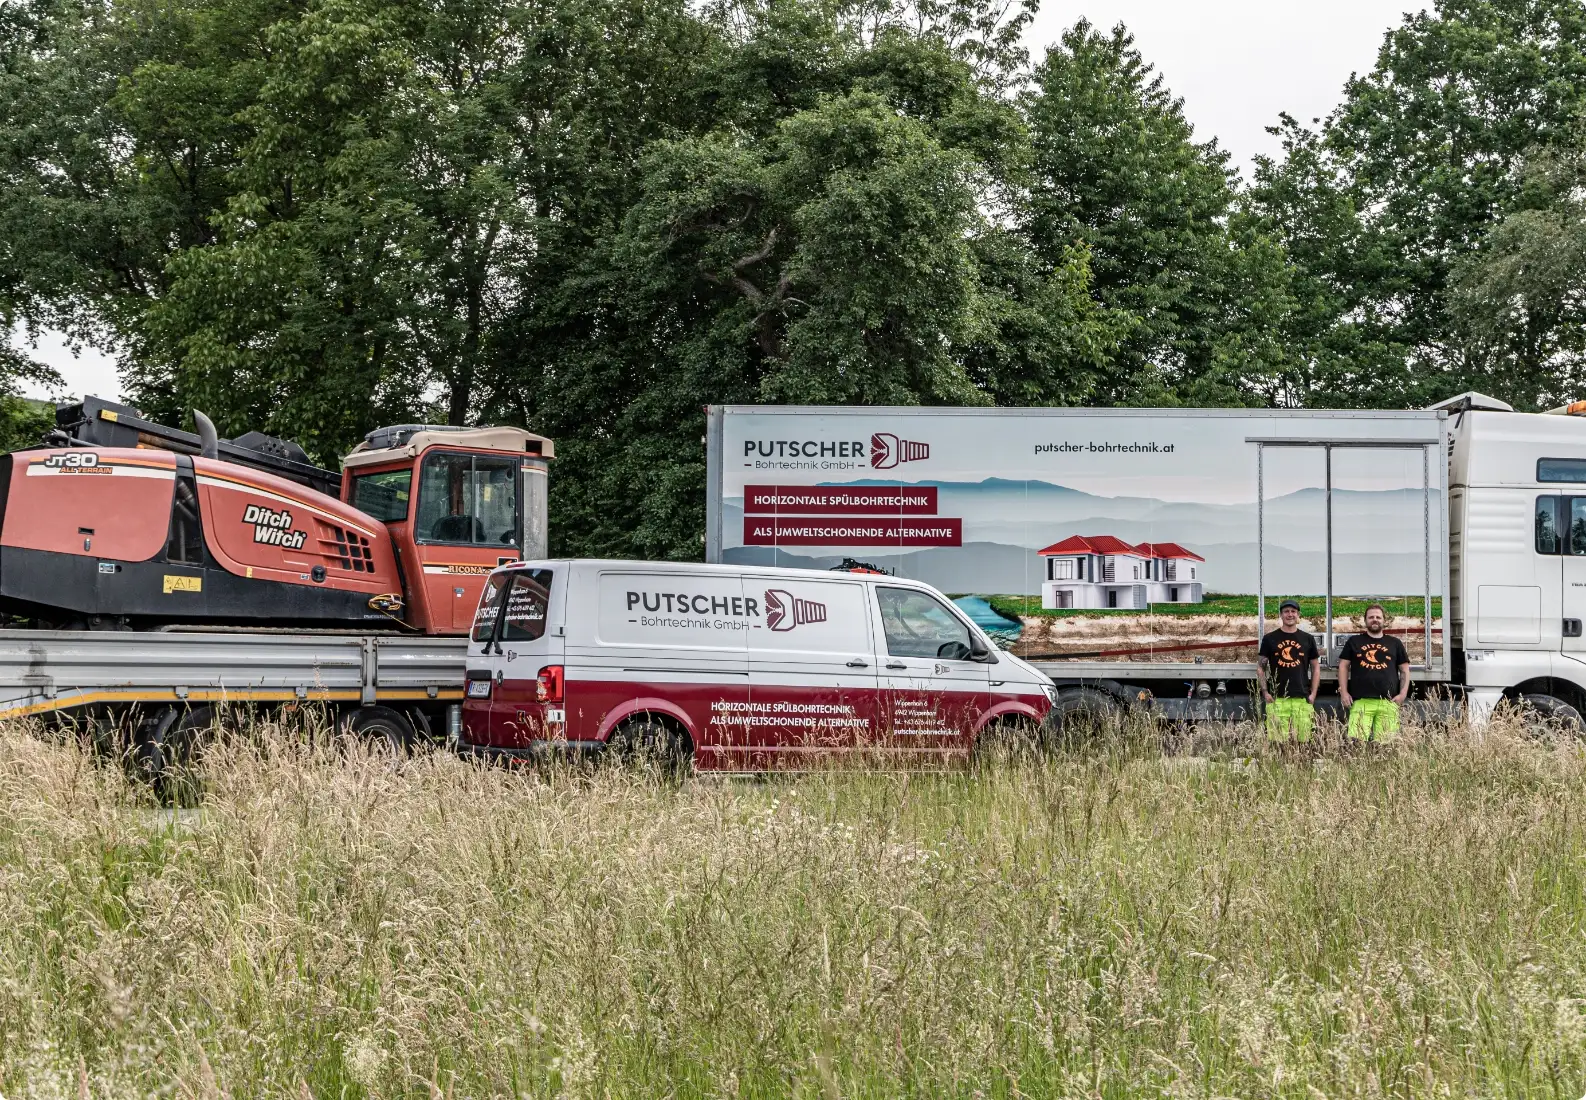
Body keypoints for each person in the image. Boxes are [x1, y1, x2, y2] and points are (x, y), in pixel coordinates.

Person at [1338, 603, 1411, 741]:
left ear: (1384, 620)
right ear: (1365, 621)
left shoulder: (1395, 643)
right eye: (1371, 617)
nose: (1375, 619)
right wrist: (1344, 692)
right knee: (1356, 745)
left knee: (1386, 748)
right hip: (1360, 701)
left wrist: (1402, 694)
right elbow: (1343, 666)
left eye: (1378, 617)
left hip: (1388, 702)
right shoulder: (1354, 641)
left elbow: (1404, 670)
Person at [1258, 599, 1319, 742]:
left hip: (1302, 698)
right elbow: (1261, 667)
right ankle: (1279, 764)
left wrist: (1313, 694)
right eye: (1286, 611)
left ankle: (1300, 764)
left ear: (1298, 615)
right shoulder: (1269, 639)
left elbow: (1315, 667)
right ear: (1281, 615)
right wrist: (1265, 692)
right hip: (1277, 698)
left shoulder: (1308, 639)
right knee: (1277, 742)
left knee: (1304, 741)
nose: (1290, 614)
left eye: (1293, 611)